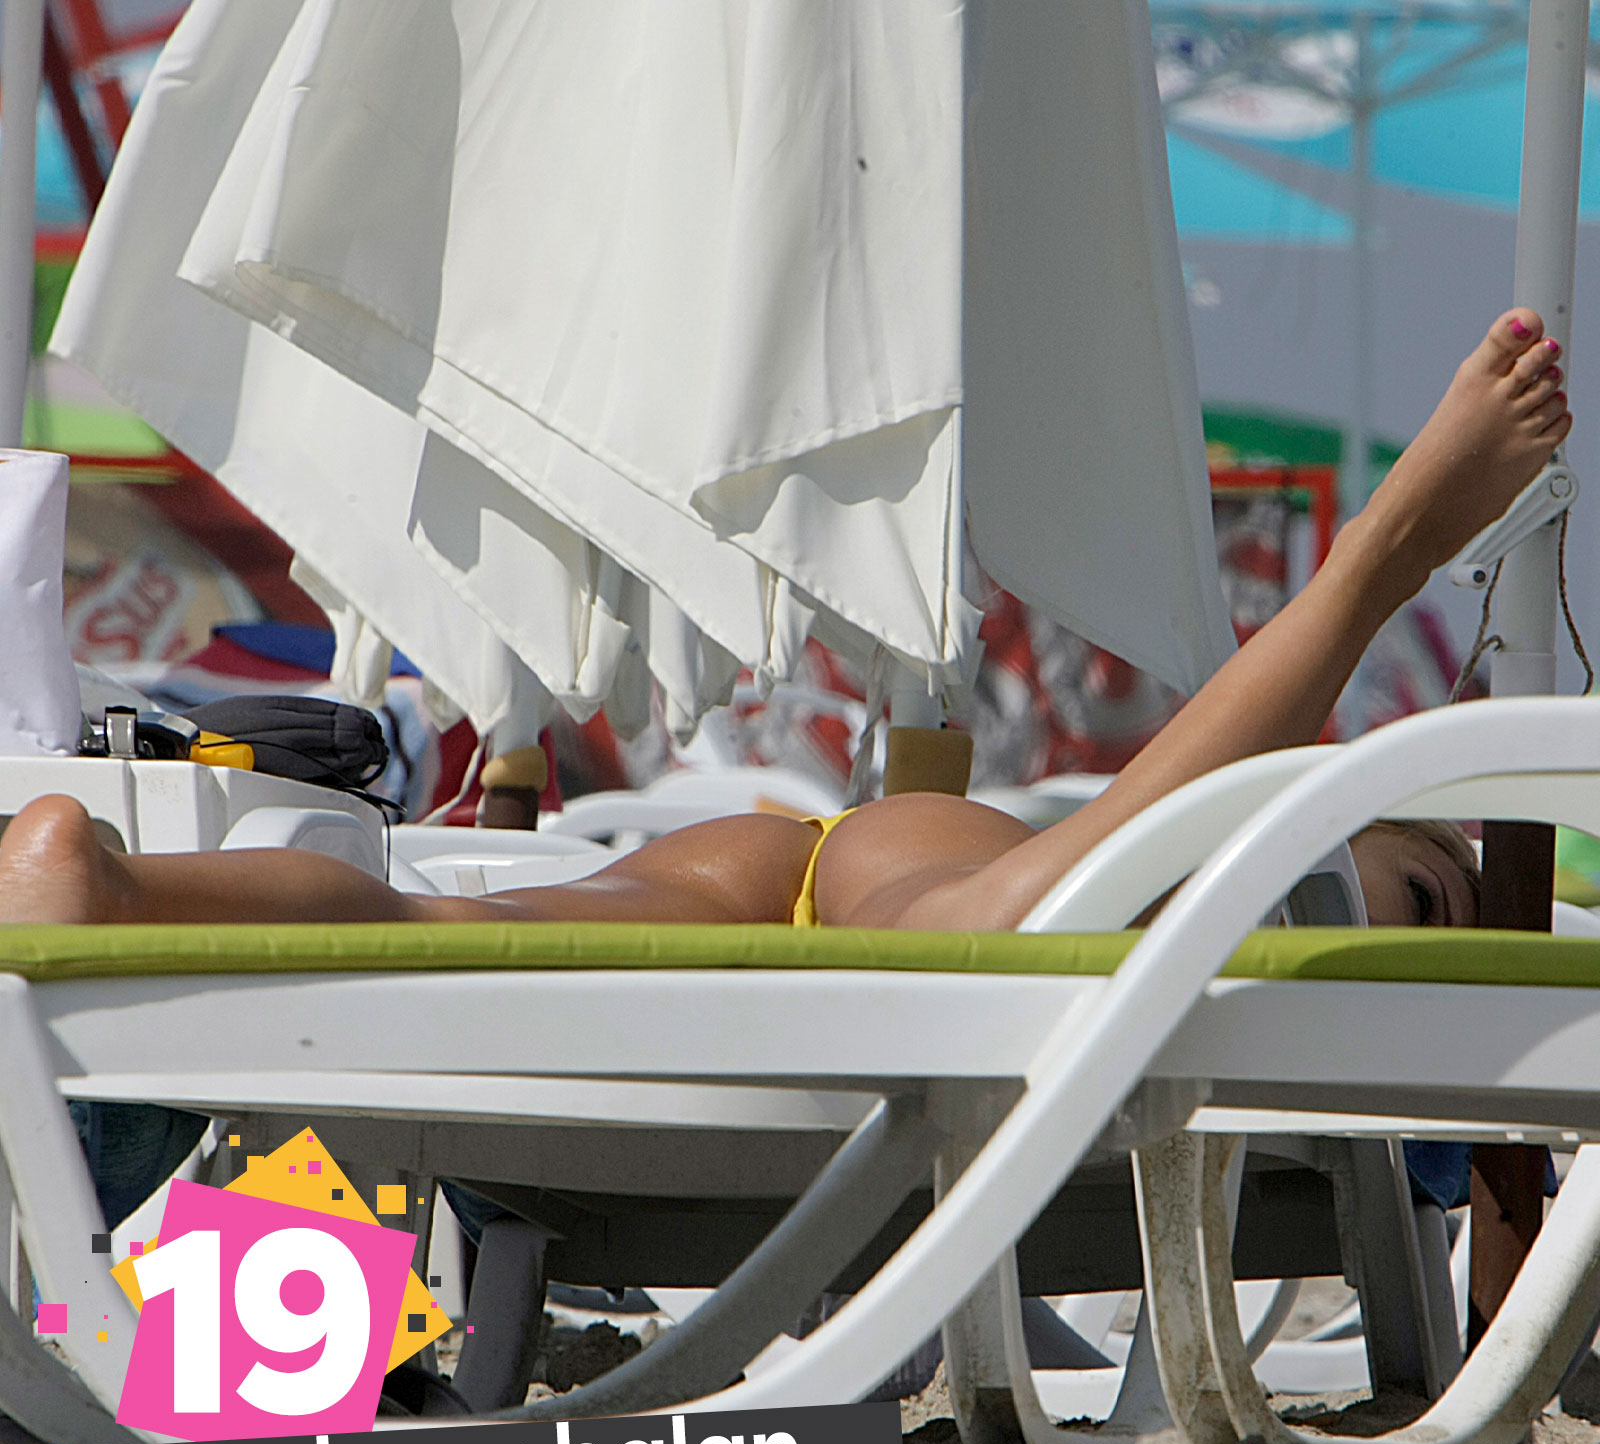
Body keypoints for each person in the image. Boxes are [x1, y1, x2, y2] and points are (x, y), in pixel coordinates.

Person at [0, 311, 1571, 935]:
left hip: (800, 874)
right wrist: (1390, 555)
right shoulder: (1247, 900)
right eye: (1424, 891)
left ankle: (112, 883)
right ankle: (1377, 554)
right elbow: (1135, 849)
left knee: (451, 933)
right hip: (912, 890)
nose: (1404, 913)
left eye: (1429, 898)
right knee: (1030, 916)